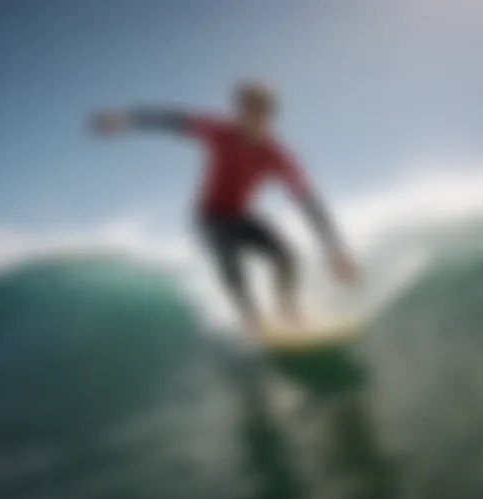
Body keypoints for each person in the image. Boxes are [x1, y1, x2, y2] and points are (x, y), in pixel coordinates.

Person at [89, 81, 358, 332]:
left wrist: (334, 248)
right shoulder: (219, 131)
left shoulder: (277, 154)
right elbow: (171, 120)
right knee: (229, 255)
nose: (253, 119)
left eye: (261, 112)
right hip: (209, 216)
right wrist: (127, 119)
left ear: (271, 116)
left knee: (286, 256)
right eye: (247, 111)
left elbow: (308, 201)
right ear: (239, 111)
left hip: (241, 215)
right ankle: (251, 316)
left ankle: (288, 307)